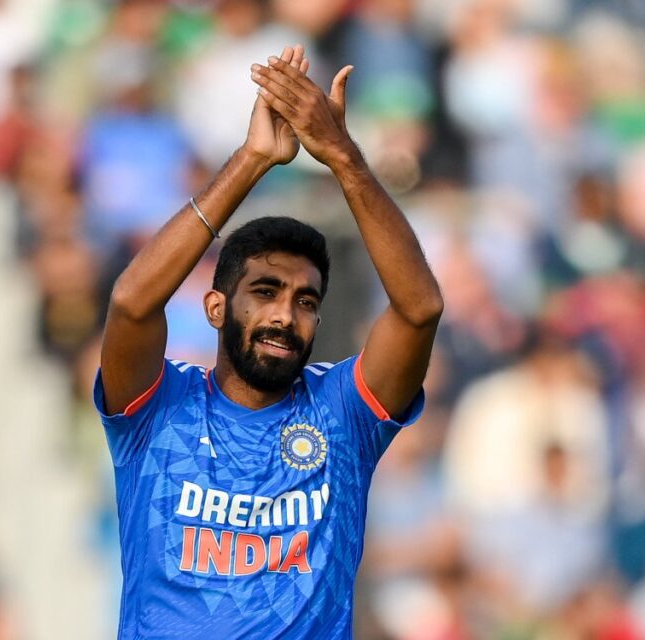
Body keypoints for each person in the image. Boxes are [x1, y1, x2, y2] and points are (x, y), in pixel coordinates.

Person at [93, 44, 442, 639]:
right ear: (216, 307)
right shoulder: (157, 407)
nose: (285, 315)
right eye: (265, 291)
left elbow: (420, 310)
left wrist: (342, 157)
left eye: (306, 301)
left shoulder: (342, 413)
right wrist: (253, 160)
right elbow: (131, 303)